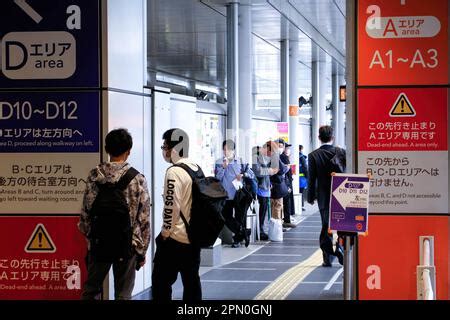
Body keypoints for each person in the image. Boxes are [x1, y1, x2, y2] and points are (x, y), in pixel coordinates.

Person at [78, 128, 151, 300]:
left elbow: (85, 214)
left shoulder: (94, 175)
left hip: (99, 242)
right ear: (128, 151)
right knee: (123, 294)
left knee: (91, 291)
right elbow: (144, 218)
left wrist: (91, 240)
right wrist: (141, 250)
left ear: (106, 149)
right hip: (127, 246)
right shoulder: (137, 178)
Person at [152, 128, 202, 301]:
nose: (164, 151)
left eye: (164, 146)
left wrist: (165, 233)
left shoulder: (174, 172)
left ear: (173, 148)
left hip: (175, 239)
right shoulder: (195, 167)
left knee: (160, 283)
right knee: (192, 283)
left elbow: (171, 207)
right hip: (194, 237)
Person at [307, 125, 344, 267]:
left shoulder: (313, 155)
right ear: (332, 137)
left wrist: (310, 197)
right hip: (341, 195)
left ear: (319, 137)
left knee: (326, 226)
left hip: (323, 196)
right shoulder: (340, 152)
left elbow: (312, 179)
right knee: (342, 225)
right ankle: (340, 248)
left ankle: (327, 258)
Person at [215, 140, 248, 247]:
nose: (226, 151)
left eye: (228, 149)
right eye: (224, 149)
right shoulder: (219, 162)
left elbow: (250, 174)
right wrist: (223, 168)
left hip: (239, 194)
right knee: (225, 216)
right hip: (226, 194)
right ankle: (242, 231)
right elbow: (217, 178)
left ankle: (237, 240)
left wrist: (243, 175)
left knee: (239, 216)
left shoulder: (240, 161)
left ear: (233, 150)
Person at [252, 145, 277, 240]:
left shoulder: (263, 159)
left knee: (264, 212)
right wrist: (269, 171)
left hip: (265, 188)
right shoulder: (255, 159)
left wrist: (269, 182)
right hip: (260, 190)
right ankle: (259, 230)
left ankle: (261, 228)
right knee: (261, 211)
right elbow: (257, 172)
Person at [266, 140, 289, 223]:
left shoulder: (266, 157)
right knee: (277, 206)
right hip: (276, 186)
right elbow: (282, 169)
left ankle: (276, 227)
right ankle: (276, 227)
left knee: (274, 207)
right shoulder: (274, 157)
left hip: (271, 186)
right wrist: (287, 168)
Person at [276, 139, 296, 229]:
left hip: (285, 183)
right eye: (286, 147)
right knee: (281, 203)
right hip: (282, 183)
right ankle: (284, 221)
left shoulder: (284, 157)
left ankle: (285, 220)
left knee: (283, 203)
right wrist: (287, 185)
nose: (287, 149)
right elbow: (283, 171)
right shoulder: (281, 157)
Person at [299, 145, 308, 211]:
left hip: (296, 178)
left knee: (299, 192)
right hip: (302, 178)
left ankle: (299, 206)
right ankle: (301, 206)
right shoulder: (302, 157)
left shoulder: (293, 155)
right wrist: (307, 177)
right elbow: (305, 167)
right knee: (301, 192)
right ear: (301, 149)